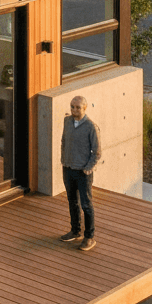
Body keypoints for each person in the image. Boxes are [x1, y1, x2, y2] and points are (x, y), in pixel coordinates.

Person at [59, 95, 101, 251]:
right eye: (72, 106)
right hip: (68, 169)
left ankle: (89, 237)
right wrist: (64, 160)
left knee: (86, 205)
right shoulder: (67, 121)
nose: (74, 110)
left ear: (85, 108)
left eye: (77, 107)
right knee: (72, 202)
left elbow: (96, 152)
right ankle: (75, 231)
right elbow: (63, 141)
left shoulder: (91, 127)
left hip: (83, 172)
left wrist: (88, 167)